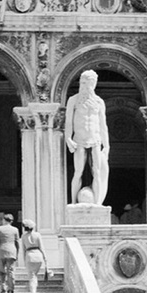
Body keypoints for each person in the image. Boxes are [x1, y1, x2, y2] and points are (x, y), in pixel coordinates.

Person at [64, 69, 110, 205]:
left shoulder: (99, 102)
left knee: (97, 171)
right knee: (78, 172)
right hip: (79, 140)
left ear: (94, 84)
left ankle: (97, 204)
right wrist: (68, 138)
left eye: (87, 83)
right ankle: (73, 202)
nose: (84, 86)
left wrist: (107, 145)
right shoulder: (73, 100)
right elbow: (68, 121)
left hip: (95, 140)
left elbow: (103, 125)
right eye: (82, 83)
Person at [19, 219, 48, 293]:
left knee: (32, 277)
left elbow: (23, 250)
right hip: (38, 256)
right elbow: (42, 247)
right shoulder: (37, 235)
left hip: (29, 256)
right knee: (35, 276)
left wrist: (24, 261)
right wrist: (45, 258)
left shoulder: (23, 236)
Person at [0, 212, 20, 293]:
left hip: (2, 250)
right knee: (11, 271)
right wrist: (17, 253)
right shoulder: (15, 230)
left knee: (1, 270)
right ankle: (11, 289)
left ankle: (3, 286)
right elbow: (17, 242)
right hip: (12, 251)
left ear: (4, 220)